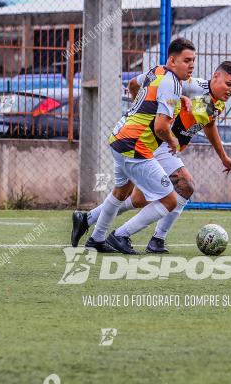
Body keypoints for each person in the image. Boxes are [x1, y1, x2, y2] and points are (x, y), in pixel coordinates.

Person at [73, 61, 231, 253]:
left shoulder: (217, 102)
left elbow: (208, 123)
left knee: (136, 198)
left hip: (162, 147)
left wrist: (223, 157)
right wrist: (170, 100)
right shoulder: (194, 86)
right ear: (215, 76)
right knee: (185, 186)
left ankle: (87, 219)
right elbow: (164, 85)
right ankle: (144, 238)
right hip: (157, 143)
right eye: (229, 84)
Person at [83, 37, 195, 255]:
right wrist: (173, 141)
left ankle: (96, 238)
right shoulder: (172, 83)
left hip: (119, 136)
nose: (191, 65)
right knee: (170, 200)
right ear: (172, 61)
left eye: (193, 61)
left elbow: (133, 83)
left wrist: (139, 106)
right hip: (135, 145)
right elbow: (161, 127)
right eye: (186, 60)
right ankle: (120, 236)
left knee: (120, 193)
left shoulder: (157, 71)